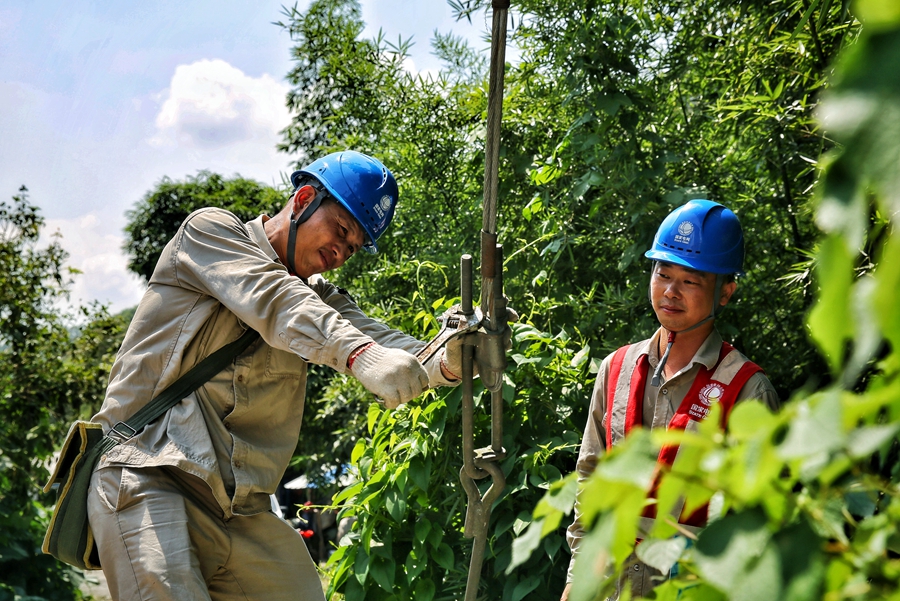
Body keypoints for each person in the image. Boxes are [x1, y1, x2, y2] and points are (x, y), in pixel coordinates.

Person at [87, 150, 474, 601]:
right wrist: (359, 353)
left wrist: (453, 356)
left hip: (239, 509)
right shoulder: (211, 233)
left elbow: (390, 345)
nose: (340, 252)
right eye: (341, 230)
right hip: (149, 473)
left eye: (352, 248)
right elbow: (276, 299)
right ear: (305, 198)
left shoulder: (321, 299)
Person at [561, 200, 780, 600]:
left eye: (691, 281)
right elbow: (590, 479)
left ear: (726, 292)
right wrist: (577, 579)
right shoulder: (617, 368)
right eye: (663, 274)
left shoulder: (746, 389)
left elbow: (759, 523)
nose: (670, 292)